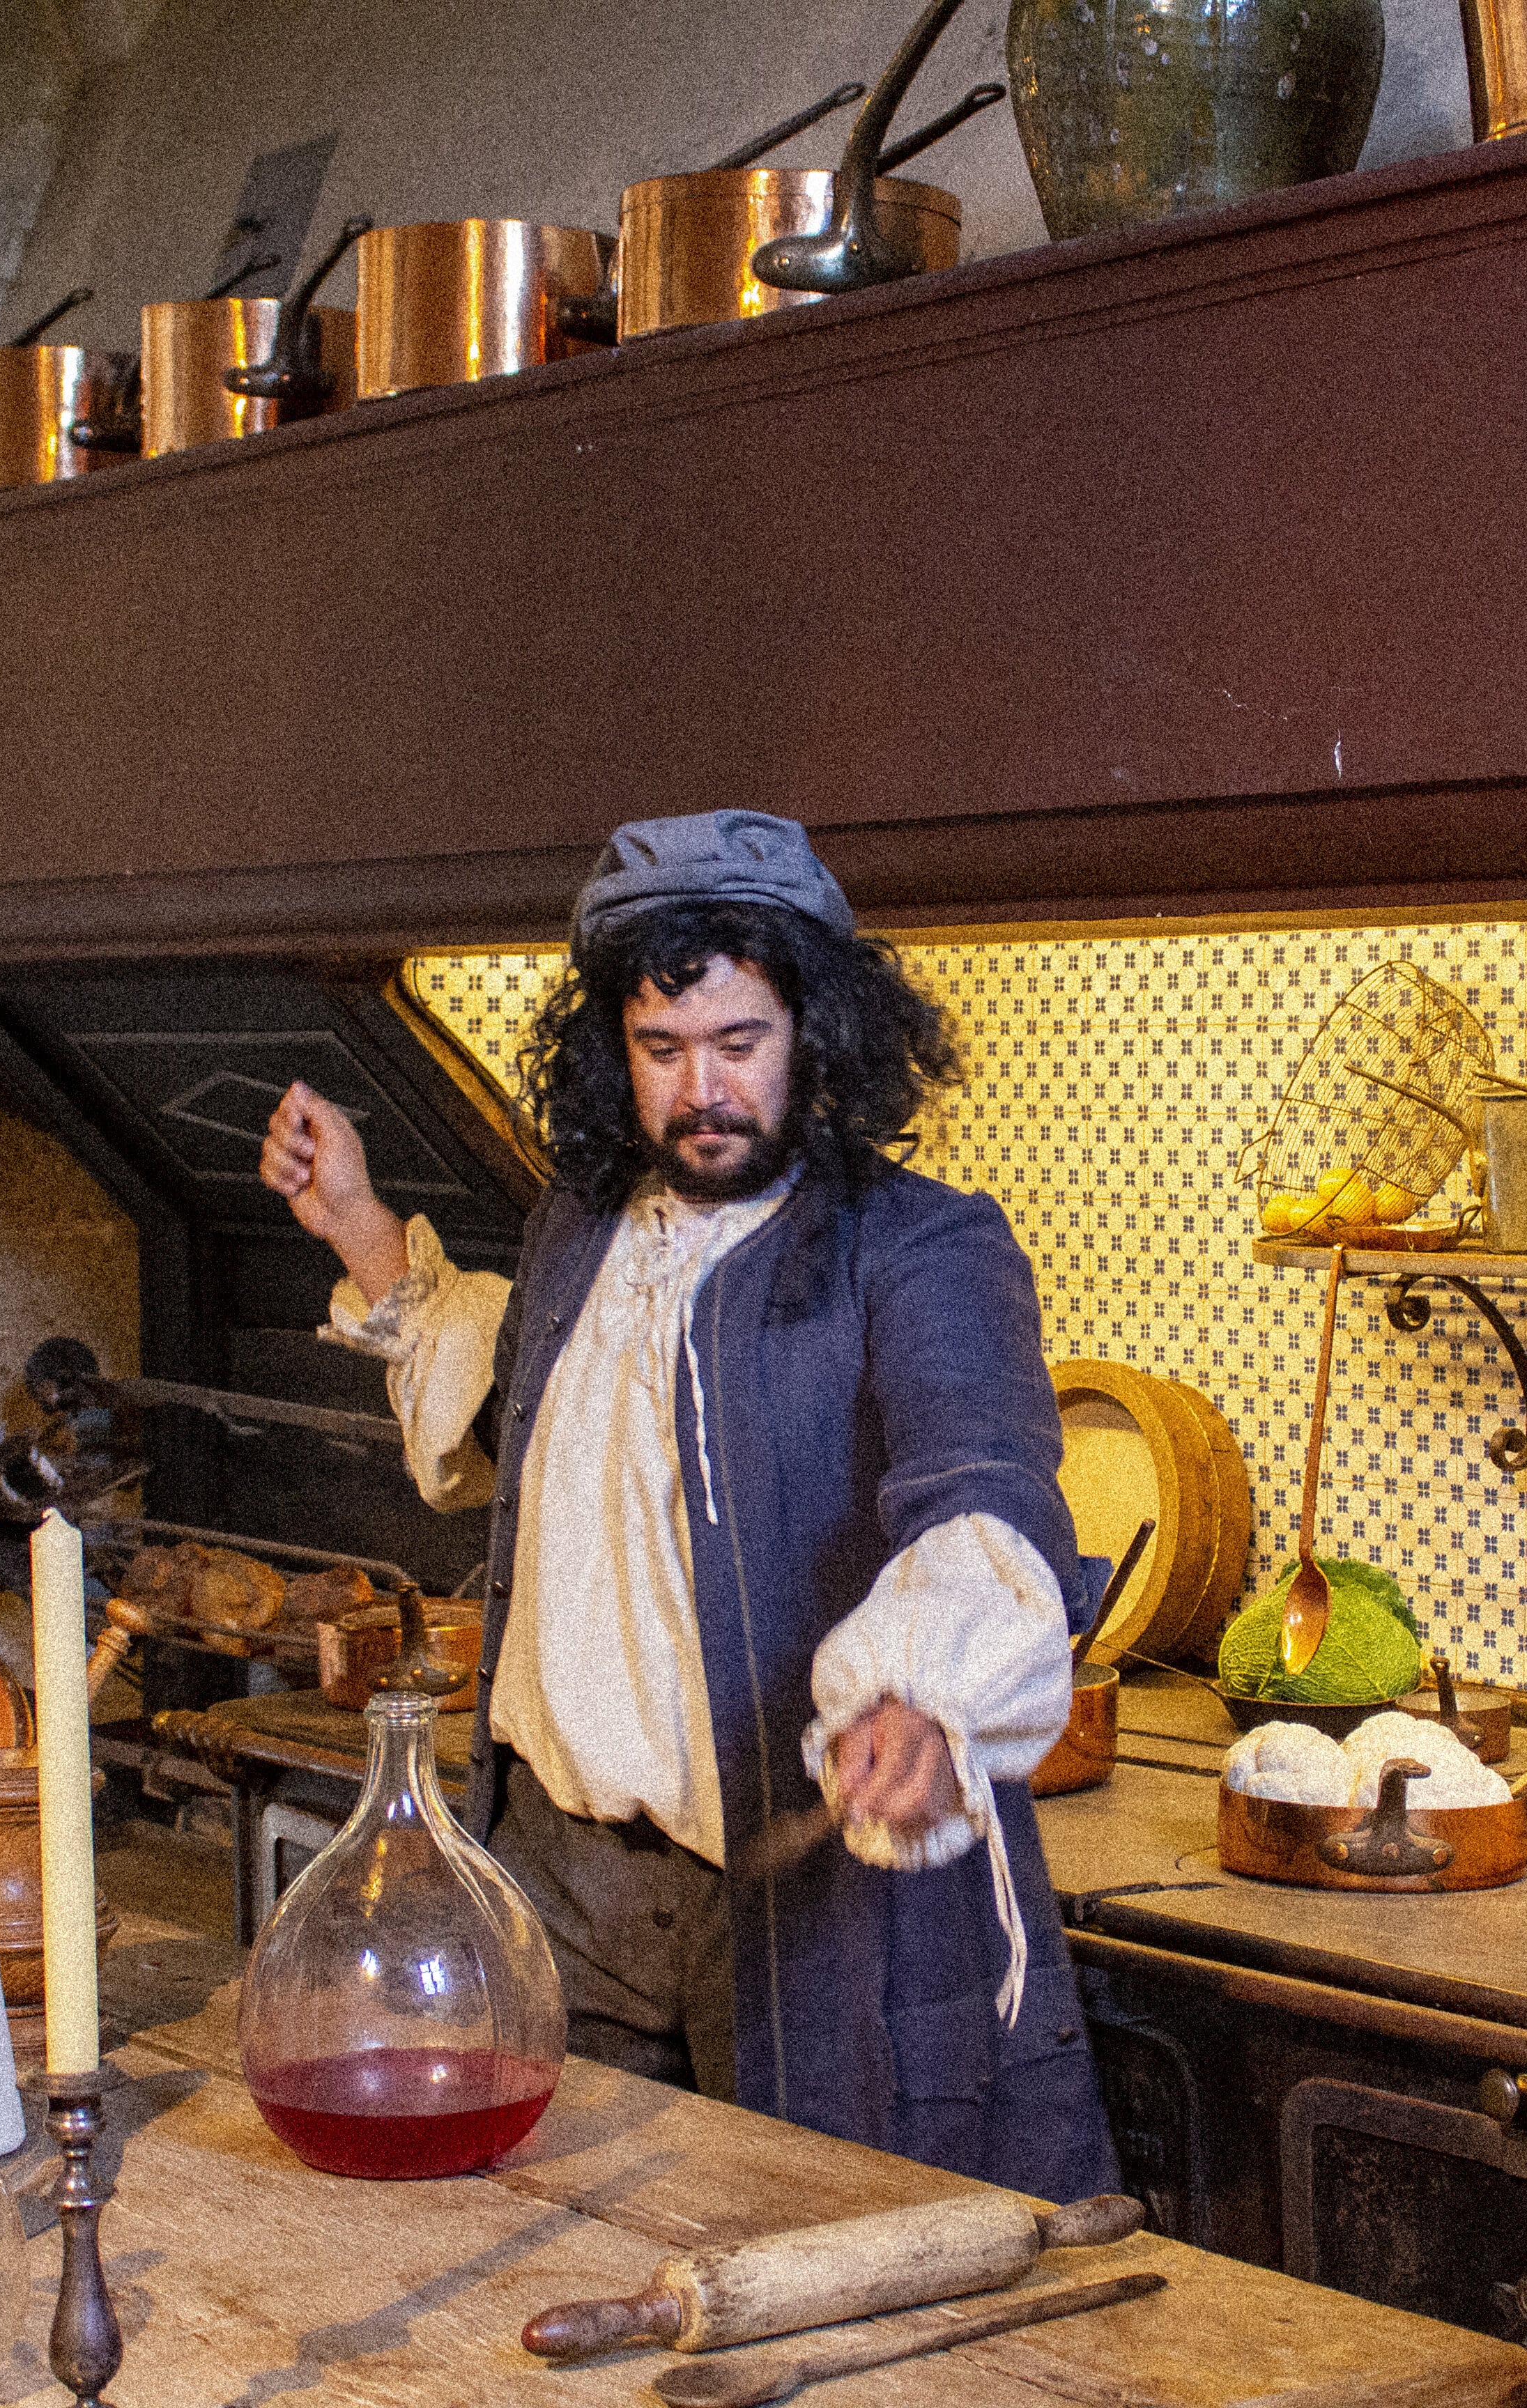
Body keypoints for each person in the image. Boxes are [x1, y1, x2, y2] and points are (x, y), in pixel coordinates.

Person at [257, 809, 1117, 2200]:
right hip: (557, 1881)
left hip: (795, 1901)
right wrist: (359, 1228)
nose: (701, 1091)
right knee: (526, 2246)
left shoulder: (918, 1247)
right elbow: (517, 1420)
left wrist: (926, 1691)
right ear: (616, 1053)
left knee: (813, 2259)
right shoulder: (584, 1227)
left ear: (817, 1035)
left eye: (739, 1044)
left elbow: (983, 1491)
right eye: (662, 1051)